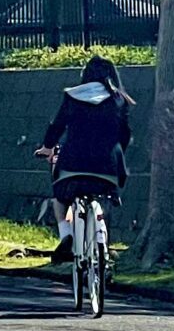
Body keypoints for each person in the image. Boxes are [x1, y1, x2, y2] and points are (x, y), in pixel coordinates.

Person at [35, 54, 133, 265]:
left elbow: (57, 125)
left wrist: (47, 147)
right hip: (108, 169)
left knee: (60, 199)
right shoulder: (119, 99)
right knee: (105, 196)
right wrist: (116, 154)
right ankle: (103, 244)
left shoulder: (72, 96)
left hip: (73, 166)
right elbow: (125, 134)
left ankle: (66, 234)